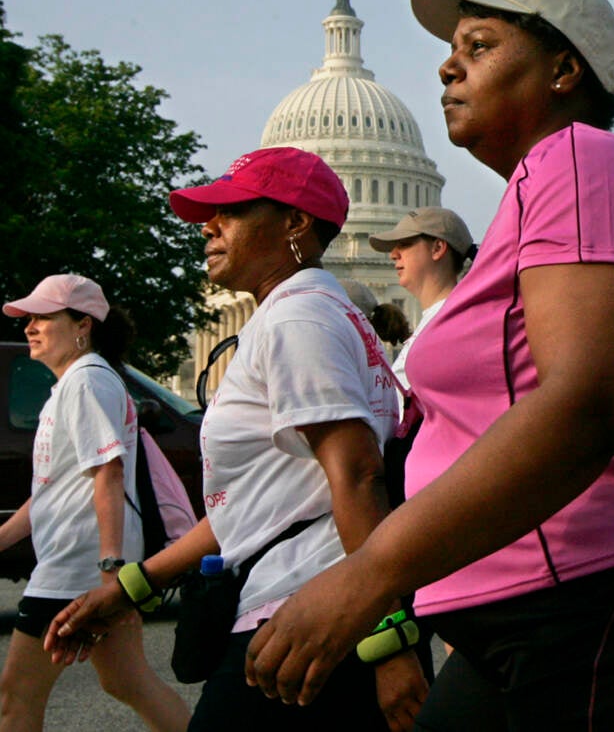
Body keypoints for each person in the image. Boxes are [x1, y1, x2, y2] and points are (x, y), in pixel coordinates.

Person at [234, 0, 614, 731]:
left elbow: (590, 401)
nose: (448, 66)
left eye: (479, 46)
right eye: (452, 51)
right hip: (533, 618)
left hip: (604, 603)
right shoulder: (538, 194)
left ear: (564, 70)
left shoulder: (581, 159)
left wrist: (370, 573)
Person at [45, 148, 429, 731]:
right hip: (313, 611)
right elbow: (255, 504)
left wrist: (386, 641)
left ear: (295, 223)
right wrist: (131, 588)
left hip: (313, 619)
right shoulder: (314, 314)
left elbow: (357, 475)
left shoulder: (297, 319)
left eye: (231, 210)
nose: (209, 226)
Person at [0, 273, 190, 732]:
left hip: (75, 568)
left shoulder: (86, 382)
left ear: (82, 324)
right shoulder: (77, 384)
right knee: (127, 681)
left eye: (44, 316)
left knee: (15, 696)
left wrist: (110, 573)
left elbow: (109, 472)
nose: (29, 326)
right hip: (89, 566)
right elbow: (53, 490)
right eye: (28, 317)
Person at [368, 207, 475, 418]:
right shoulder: (438, 321)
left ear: (437, 248)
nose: (393, 255)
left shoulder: (453, 326)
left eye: (405, 244)